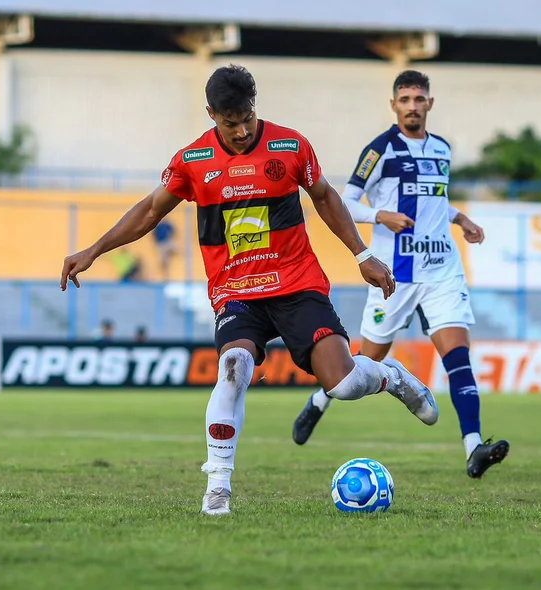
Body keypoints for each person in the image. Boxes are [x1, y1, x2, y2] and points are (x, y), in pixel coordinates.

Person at [60, 64, 438, 516]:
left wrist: (361, 255)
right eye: (229, 122)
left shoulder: (290, 146)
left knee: (342, 385)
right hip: (236, 290)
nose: (240, 131)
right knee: (234, 365)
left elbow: (326, 198)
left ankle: (389, 376)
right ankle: (218, 486)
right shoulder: (192, 162)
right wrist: (96, 249)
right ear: (210, 115)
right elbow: (149, 211)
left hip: (297, 283)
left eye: (247, 118)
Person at [291, 70, 510, 479]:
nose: (412, 106)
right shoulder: (380, 151)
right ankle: (319, 403)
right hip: (396, 275)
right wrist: (380, 215)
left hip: (441, 267)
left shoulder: (442, 150)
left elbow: (435, 202)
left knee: (458, 355)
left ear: (429, 103)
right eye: (405, 99)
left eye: (419, 99)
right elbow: (343, 202)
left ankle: (473, 447)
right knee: (366, 360)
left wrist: (461, 218)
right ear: (393, 105)